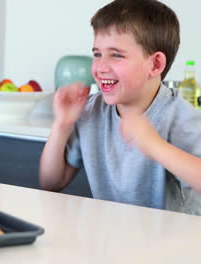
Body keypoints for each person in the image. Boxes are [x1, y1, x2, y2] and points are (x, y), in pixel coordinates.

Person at [39, 0, 201, 214]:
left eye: (116, 55)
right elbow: (51, 183)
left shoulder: (179, 115)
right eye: (97, 54)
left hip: (173, 243)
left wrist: (153, 144)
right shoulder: (90, 111)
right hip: (113, 237)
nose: (100, 67)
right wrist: (62, 125)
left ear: (155, 65)